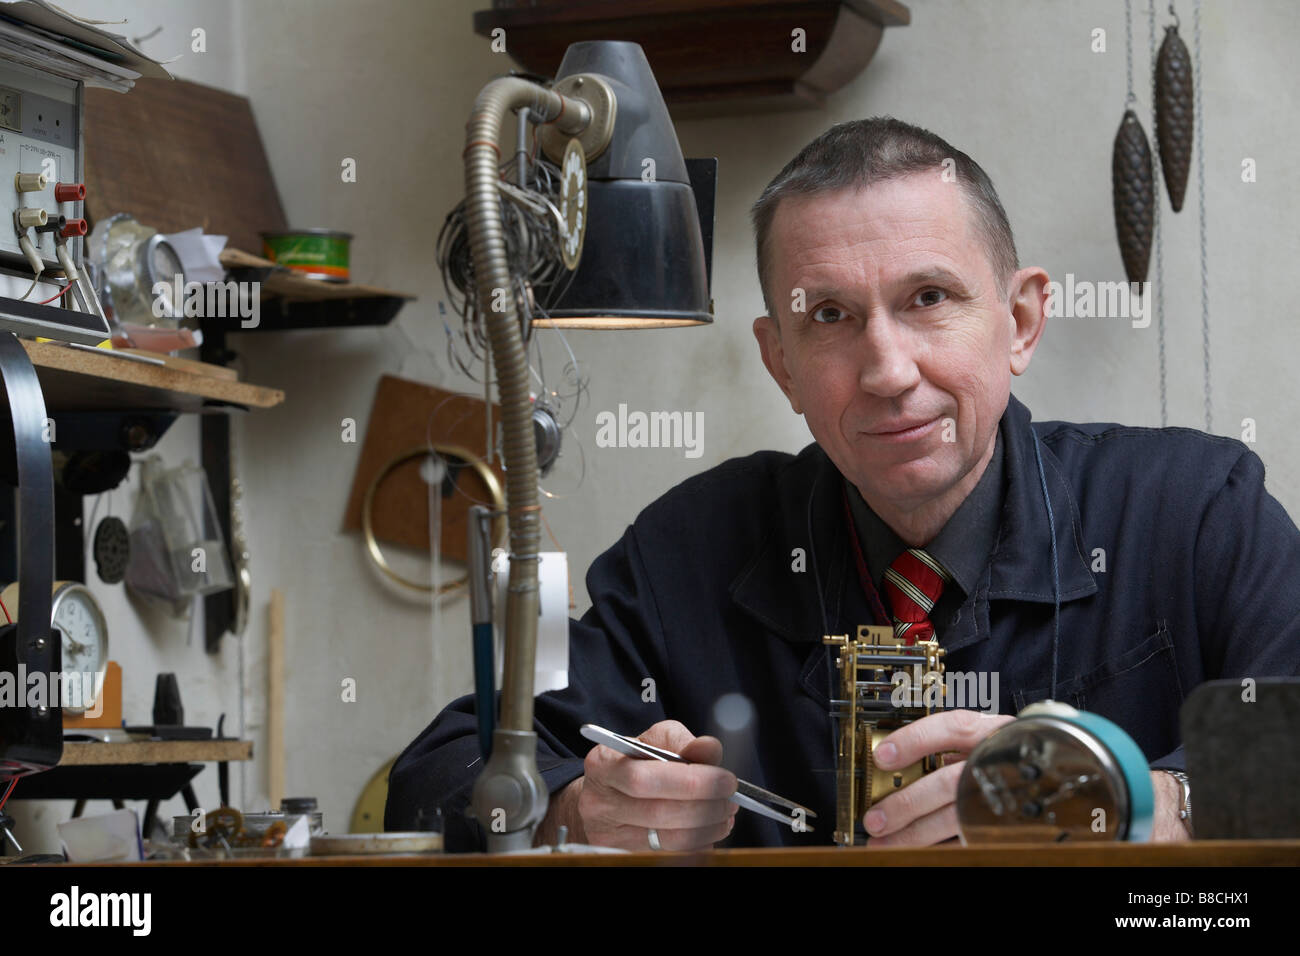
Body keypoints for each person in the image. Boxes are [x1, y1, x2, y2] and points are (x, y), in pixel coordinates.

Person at [385, 117, 1300, 852]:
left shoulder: (1193, 508)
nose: (887, 370)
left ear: (1019, 321)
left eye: (928, 300)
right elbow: (442, 765)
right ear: (779, 362)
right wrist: (575, 810)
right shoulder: (691, 550)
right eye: (830, 316)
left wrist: (1139, 797)